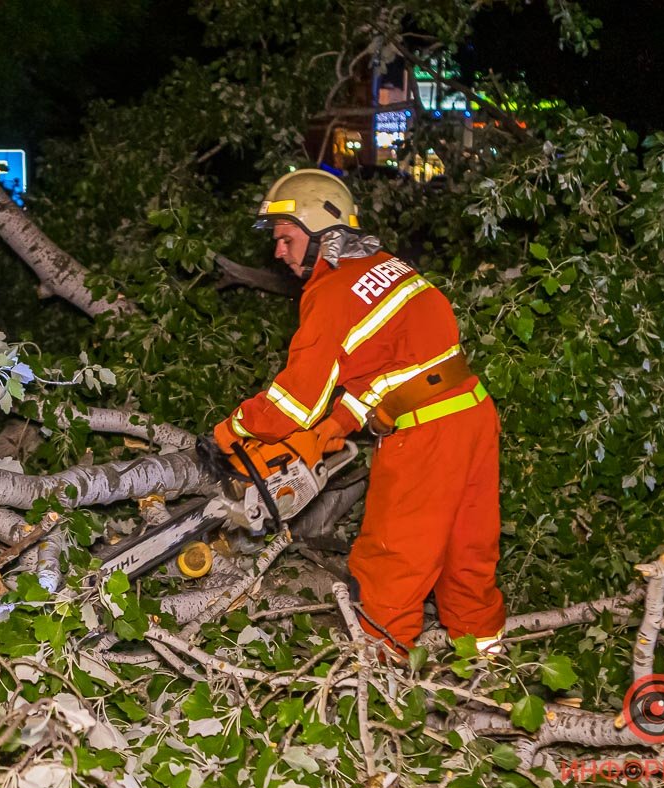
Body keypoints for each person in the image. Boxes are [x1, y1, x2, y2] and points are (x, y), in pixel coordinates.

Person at [213, 169, 505, 654]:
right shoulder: (390, 266)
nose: (277, 252)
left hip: (426, 434)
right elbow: (397, 366)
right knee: (468, 558)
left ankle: (380, 691)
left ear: (318, 232)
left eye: (285, 239)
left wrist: (232, 429)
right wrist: (340, 423)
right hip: (471, 412)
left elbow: (292, 404)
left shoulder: (331, 293)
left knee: (391, 562)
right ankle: (491, 673)